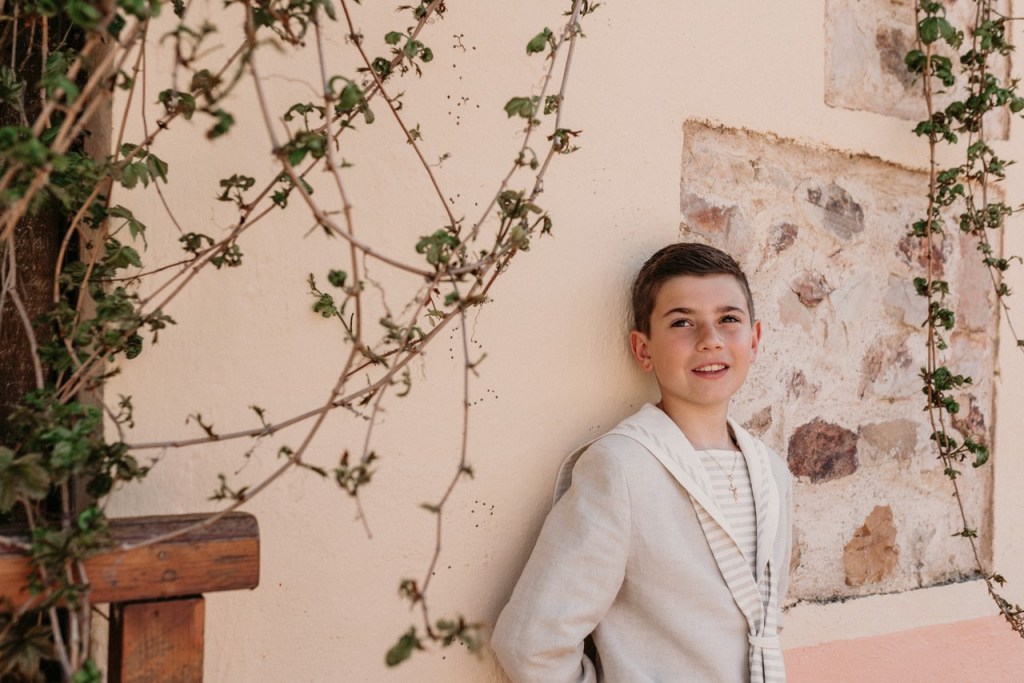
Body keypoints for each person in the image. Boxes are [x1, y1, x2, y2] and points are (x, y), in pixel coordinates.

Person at [491, 242, 793, 683]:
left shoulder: (773, 472)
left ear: (755, 339)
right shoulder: (621, 469)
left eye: (729, 319)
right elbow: (530, 644)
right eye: (682, 322)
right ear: (643, 349)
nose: (710, 339)